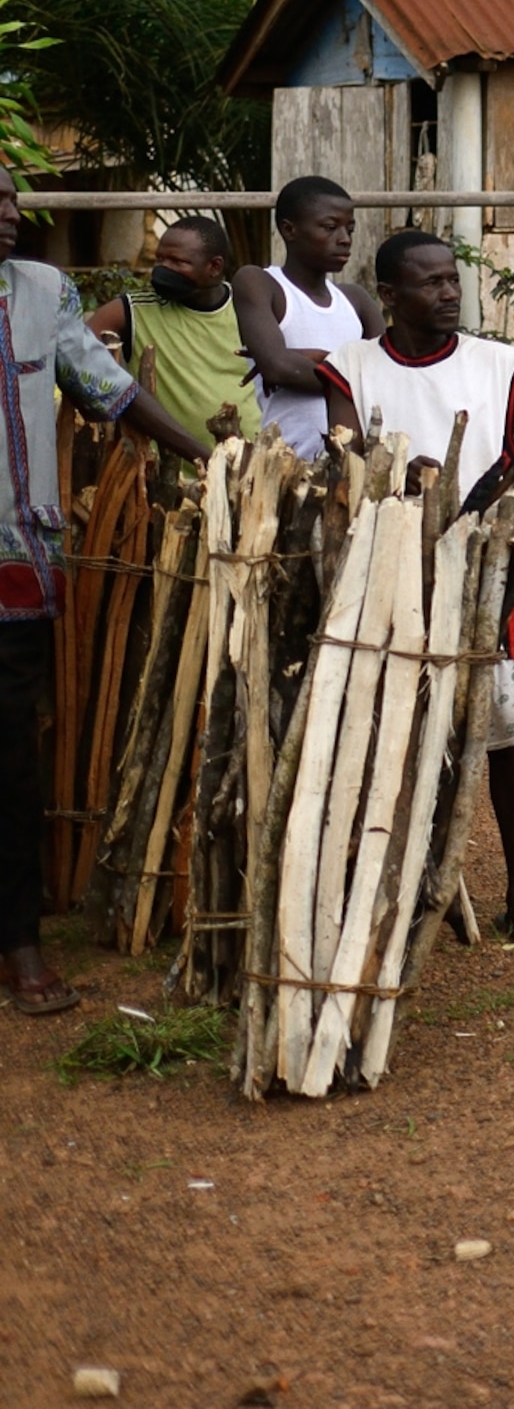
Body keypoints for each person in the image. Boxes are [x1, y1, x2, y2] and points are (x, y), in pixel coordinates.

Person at [317, 229, 514, 948]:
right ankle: (396, 879)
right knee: (388, 726)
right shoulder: (351, 367)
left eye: (451, 280)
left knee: (504, 726)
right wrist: (397, 482)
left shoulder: (496, 363)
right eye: (430, 283)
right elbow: (347, 451)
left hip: (486, 570)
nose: (446, 292)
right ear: (391, 295)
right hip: (389, 568)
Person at [0, 164, 211, 1014]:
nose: (9, 214)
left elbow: (112, 392)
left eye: (11, 198)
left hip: (15, 569)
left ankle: (21, 946)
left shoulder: (43, 291)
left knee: (13, 762)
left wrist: (206, 454)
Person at [234, 175, 382, 463]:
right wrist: (351, 370)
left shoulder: (356, 300)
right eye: (329, 228)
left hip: (352, 466)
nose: (344, 239)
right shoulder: (260, 283)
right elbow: (278, 368)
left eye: (349, 229)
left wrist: (315, 358)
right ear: (289, 230)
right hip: (285, 468)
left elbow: (386, 377)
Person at [85, 216, 263, 452]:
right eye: (160, 259)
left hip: (248, 465)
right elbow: (80, 348)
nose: (162, 268)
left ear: (214, 267)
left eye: (177, 261)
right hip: (166, 477)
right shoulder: (134, 310)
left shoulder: (245, 305)